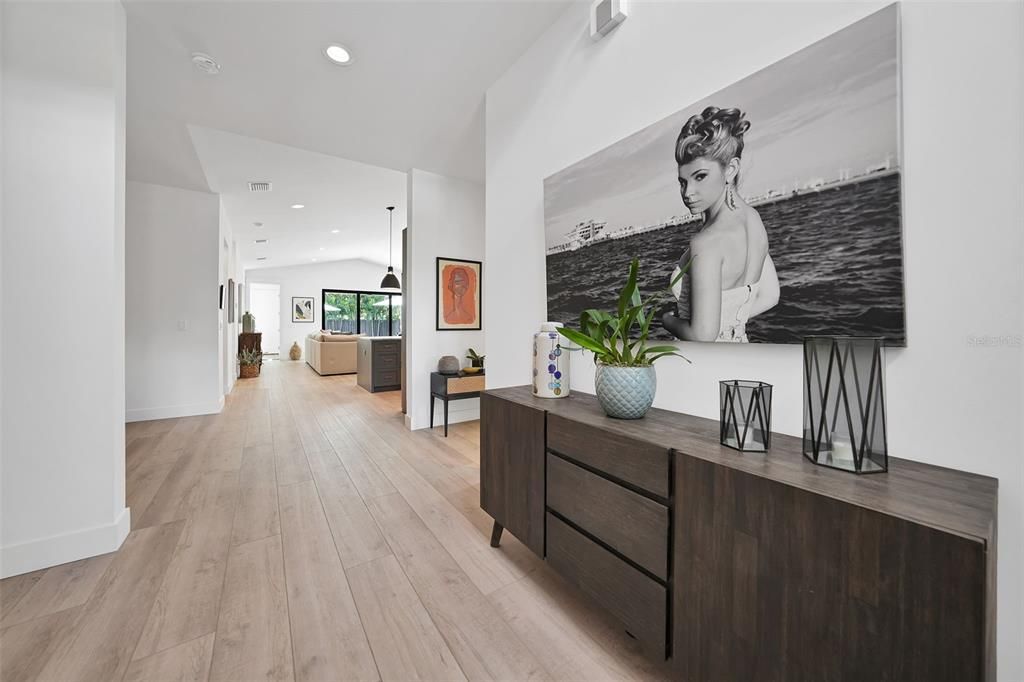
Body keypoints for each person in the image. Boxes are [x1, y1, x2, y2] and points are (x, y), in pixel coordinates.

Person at [662, 106, 780, 342]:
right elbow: (770, 296)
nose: (688, 192)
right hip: (738, 353)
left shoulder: (707, 242)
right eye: (682, 182)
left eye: (700, 176)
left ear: (731, 169)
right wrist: (730, 324)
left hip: (701, 364)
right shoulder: (754, 220)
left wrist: (668, 320)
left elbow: (703, 335)